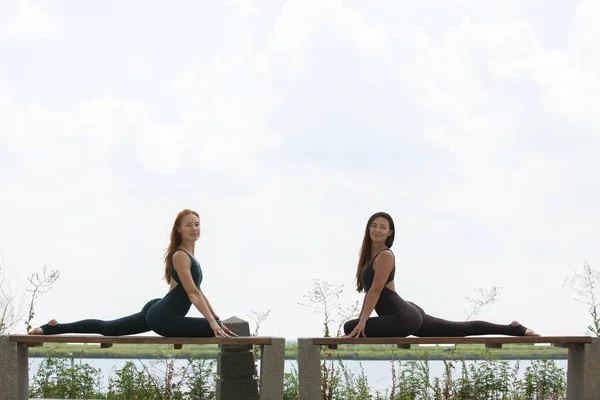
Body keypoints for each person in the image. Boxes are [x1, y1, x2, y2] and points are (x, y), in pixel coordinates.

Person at [28, 209, 236, 338]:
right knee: (217, 329)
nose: (194, 228)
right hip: (164, 318)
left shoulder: (189, 254)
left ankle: (54, 327)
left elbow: (196, 290)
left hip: (160, 309)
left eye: (197, 224)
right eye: (188, 225)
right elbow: (192, 294)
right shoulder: (180, 255)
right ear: (179, 229)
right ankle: (53, 328)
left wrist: (213, 314)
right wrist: (212, 322)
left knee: (110, 328)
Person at [342, 212, 539, 338]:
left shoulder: (385, 255)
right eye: (374, 225)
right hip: (407, 312)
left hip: (403, 317)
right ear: (368, 228)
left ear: (390, 233)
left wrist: (361, 323)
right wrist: (362, 322)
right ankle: (514, 329)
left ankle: (515, 329)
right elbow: (371, 294)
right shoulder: (371, 257)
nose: (377, 229)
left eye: (382, 227)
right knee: (459, 329)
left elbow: (375, 291)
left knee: (349, 326)